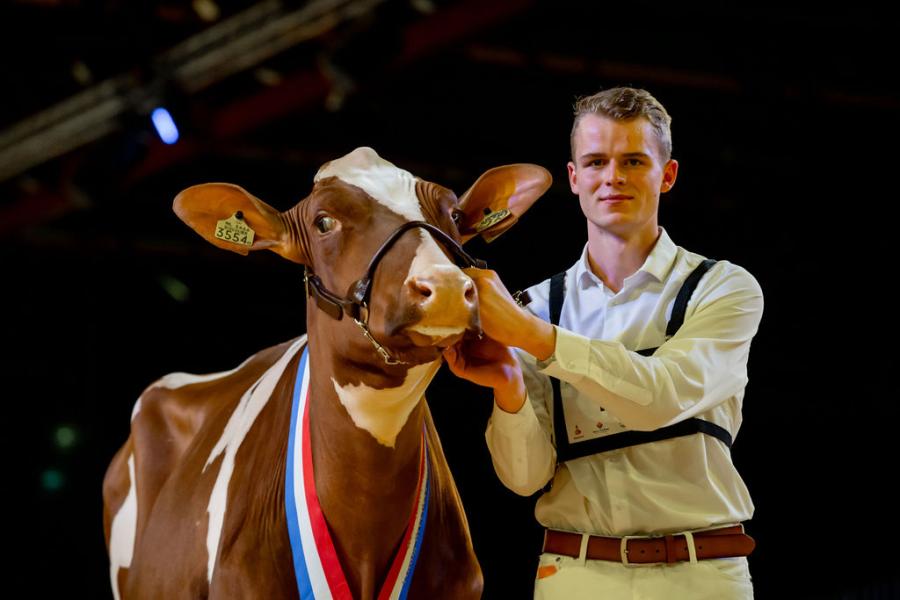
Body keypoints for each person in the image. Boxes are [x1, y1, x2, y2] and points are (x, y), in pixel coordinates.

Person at [444, 86, 763, 599]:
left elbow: (661, 397)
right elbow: (524, 478)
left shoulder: (723, 286)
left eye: (633, 160)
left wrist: (535, 338)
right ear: (574, 178)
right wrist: (507, 389)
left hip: (702, 574)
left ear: (668, 174)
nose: (612, 176)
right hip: (574, 574)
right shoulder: (535, 306)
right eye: (595, 162)